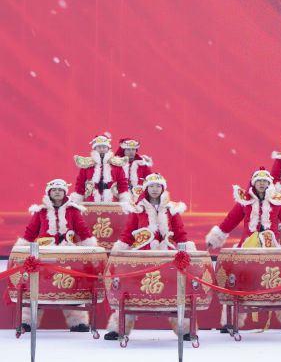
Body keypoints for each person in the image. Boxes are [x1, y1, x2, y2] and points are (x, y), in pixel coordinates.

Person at [206, 168, 281, 334]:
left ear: (269, 184)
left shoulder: (277, 202)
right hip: (248, 247)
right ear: (253, 183)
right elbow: (229, 222)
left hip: (271, 248)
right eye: (259, 181)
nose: (262, 184)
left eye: (265, 181)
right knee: (238, 282)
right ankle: (230, 322)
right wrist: (213, 240)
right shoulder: (245, 201)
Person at [106, 173, 193, 340]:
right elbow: (128, 234)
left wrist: (188, 250)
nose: (154, 189)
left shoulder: (172, 209)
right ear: (146, 188)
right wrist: (118, 251)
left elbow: (180, 234)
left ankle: (186, 330)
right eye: (151, 186)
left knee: (174, 293)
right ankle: (118, 329)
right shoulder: (137, 208)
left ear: (163, 188)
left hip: (167, 258)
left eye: (158, 186)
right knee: (131, 293)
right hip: (142, 257)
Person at [15, 178, 97, 333]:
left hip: (68, 255)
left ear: (65, 192)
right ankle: (27, 322)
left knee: (71, 288)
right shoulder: (41, 211)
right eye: (54, 190)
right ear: (49, 193)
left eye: (60, 190)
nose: (57, 192)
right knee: (38, 288)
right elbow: (30, 232)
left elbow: (83, 231)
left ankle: (78, 322)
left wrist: (91, 249)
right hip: (44, 255)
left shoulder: (73, 211)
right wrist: (20, 248)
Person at [71, 134, 130, 205]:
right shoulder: (87, 164)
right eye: (99, 147)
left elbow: (122, 183)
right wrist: (78, 199)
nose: (101, 149)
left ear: (108, 148)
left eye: (104, 147)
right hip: (90, 201)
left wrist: (124, 200)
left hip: (112, 201)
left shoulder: (116, 164)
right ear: (95, 148)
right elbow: (80, 183)